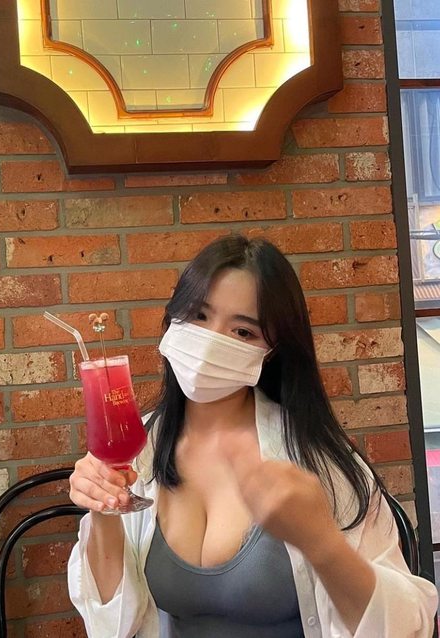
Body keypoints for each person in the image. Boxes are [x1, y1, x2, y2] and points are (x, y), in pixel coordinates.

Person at [67, 235, 438, 637]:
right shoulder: (138, 451)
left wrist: (323, 544)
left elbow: (406, 626)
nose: (212, 342)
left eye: (243, 332)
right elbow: (110, 626)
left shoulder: (316, 460)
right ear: (174, 318)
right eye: (199, 316)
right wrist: (103, 509)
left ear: (272, 349)